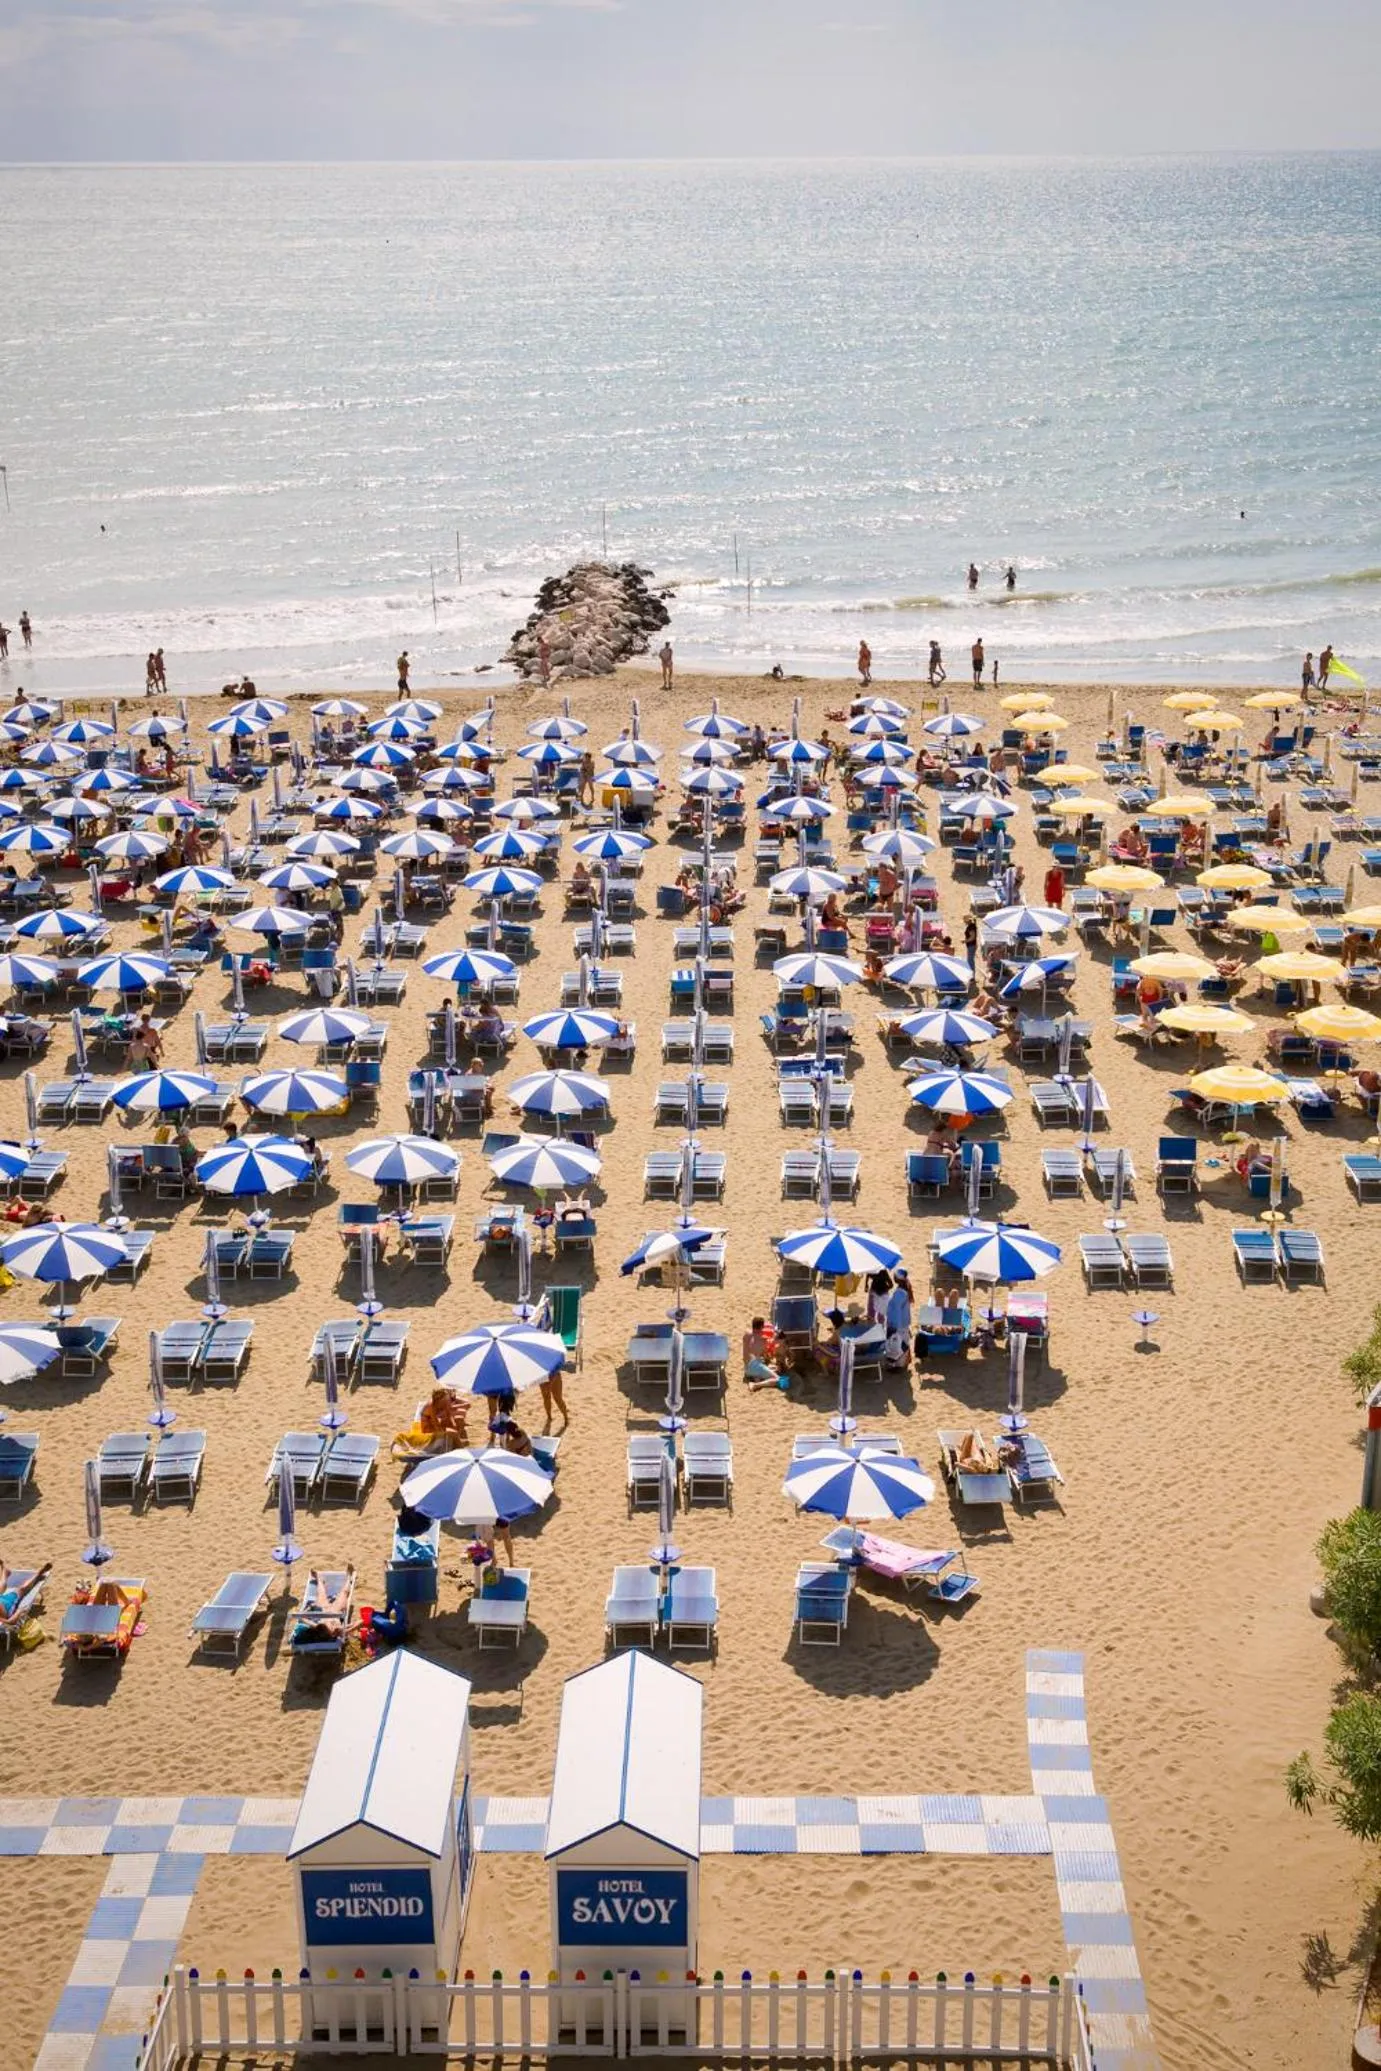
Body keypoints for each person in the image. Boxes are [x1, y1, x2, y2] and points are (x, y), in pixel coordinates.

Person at [298, 1566, 356, 1639]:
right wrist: (346, 1628)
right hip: (336, 1610)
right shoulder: (337, 1630)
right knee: (344, 1593)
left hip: (323, 1609)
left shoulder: (317, 1626)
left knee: (321, 1593)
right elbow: (350, 1627)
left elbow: (301, 1618)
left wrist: (310, 1608)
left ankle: (319, 1579)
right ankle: (349, 1577)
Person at [742, 1316, 785, 1389]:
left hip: (747, 1367)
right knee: (783, 1382)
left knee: (775, 1368)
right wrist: (775, 1340)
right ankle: (756, 1385)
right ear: (762, 1327)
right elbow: (768, 1354)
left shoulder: (746, 1334)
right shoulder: (762, 1341)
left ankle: (756, 1377)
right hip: (755, 1366)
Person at [884, 1268, 913, 1366]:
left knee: (897, 1344)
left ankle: (897, 1364)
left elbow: (896, 1311)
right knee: (903, 1343)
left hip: (898, 1324)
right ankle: (902, 1362)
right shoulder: (904, 1289)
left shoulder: (899, 1293)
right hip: (904, 1323)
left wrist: (895, 1326)